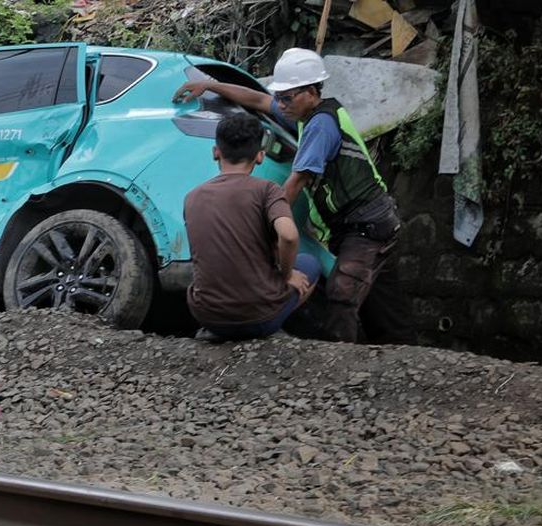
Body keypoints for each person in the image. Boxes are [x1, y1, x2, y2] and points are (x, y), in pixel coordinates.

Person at [174, 48, 414, 344]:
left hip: (367, 225)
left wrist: (264, 225)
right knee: (382, 302)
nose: (281, 104)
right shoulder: (304, 114)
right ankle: (401, 352)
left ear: (311, 92)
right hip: (365, 221)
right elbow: (260, 100)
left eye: (287, 98)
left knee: (342, 294)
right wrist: (211, 86)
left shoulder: (321, 126)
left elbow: (296, 181)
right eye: (281, 96)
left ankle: (341, 365)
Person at [185, 113, 321, 341]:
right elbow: (288, 236)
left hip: (207, 316)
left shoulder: (192, 197)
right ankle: (271, 328)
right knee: (309, 263)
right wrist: (287, 275)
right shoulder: (268, 190)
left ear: (216, 152)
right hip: (259, 319)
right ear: (260, 156)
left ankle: (219, 331)